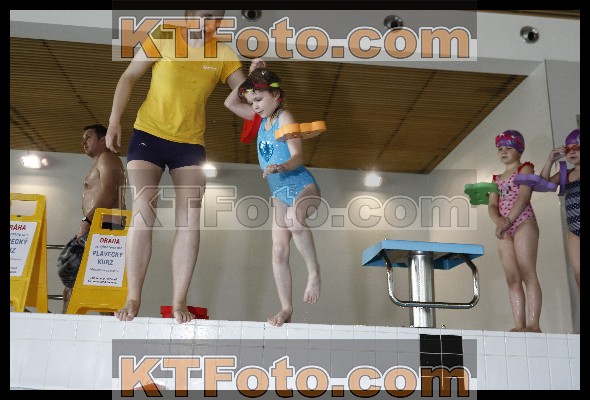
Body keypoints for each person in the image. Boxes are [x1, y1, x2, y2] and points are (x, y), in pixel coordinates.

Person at [105, 10, 247, 323]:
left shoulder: (223, 53)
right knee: (144, 209)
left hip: (190, 144)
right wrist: (114, 120)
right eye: (206, 16)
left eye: (218, 19)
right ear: (190, 14)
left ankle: (179, 302)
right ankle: (133, 298)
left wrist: (259, 79)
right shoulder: (165, 34)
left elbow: (248, 96)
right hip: (148, 135)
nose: (212, 24)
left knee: (191, 219)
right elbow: (129, 75)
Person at [224, 68, 322, 327]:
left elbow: (297, 156)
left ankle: (314, 273)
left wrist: (281, 167)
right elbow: (230, 103)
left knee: (295, 220)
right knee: (278, 250)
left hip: (302, 186)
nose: (255, 106)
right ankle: (286, 308)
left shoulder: (285, 117)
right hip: (279, 194)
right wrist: (249, 76)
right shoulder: (259, 120)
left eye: (259, 99)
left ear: (276, 95)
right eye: (251, 101)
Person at [57, 124, 127, 314]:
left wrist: (87, 220)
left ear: (103, 140)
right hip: (103, 226)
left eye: (88, 137)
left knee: (73, 282)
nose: (83, 142)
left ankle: (66, 327)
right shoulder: (102, 161)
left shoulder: (107, 158)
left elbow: (109, 193)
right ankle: (72, 325)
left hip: (105, 226)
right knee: (95, 286)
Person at [488, 130, 542, 333]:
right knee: (512, 278)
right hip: (504, 226)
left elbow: (524, 196)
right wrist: (499, 221)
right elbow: (492, 205)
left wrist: (508, 220)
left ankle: (533, 324)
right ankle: (519, 324)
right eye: (500, 149)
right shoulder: (495, 179)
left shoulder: (525, 168)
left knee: (528, 272)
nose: (503, 152)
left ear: (519, 150)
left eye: (508, 148)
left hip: (523, 221)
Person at [540, 129, 580, 295]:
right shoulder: (566, 174)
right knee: (578, 274)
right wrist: (550, 160)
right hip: (574, 232)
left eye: (577, 147)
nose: (572, 152)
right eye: (568, 149)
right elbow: (543, 185)